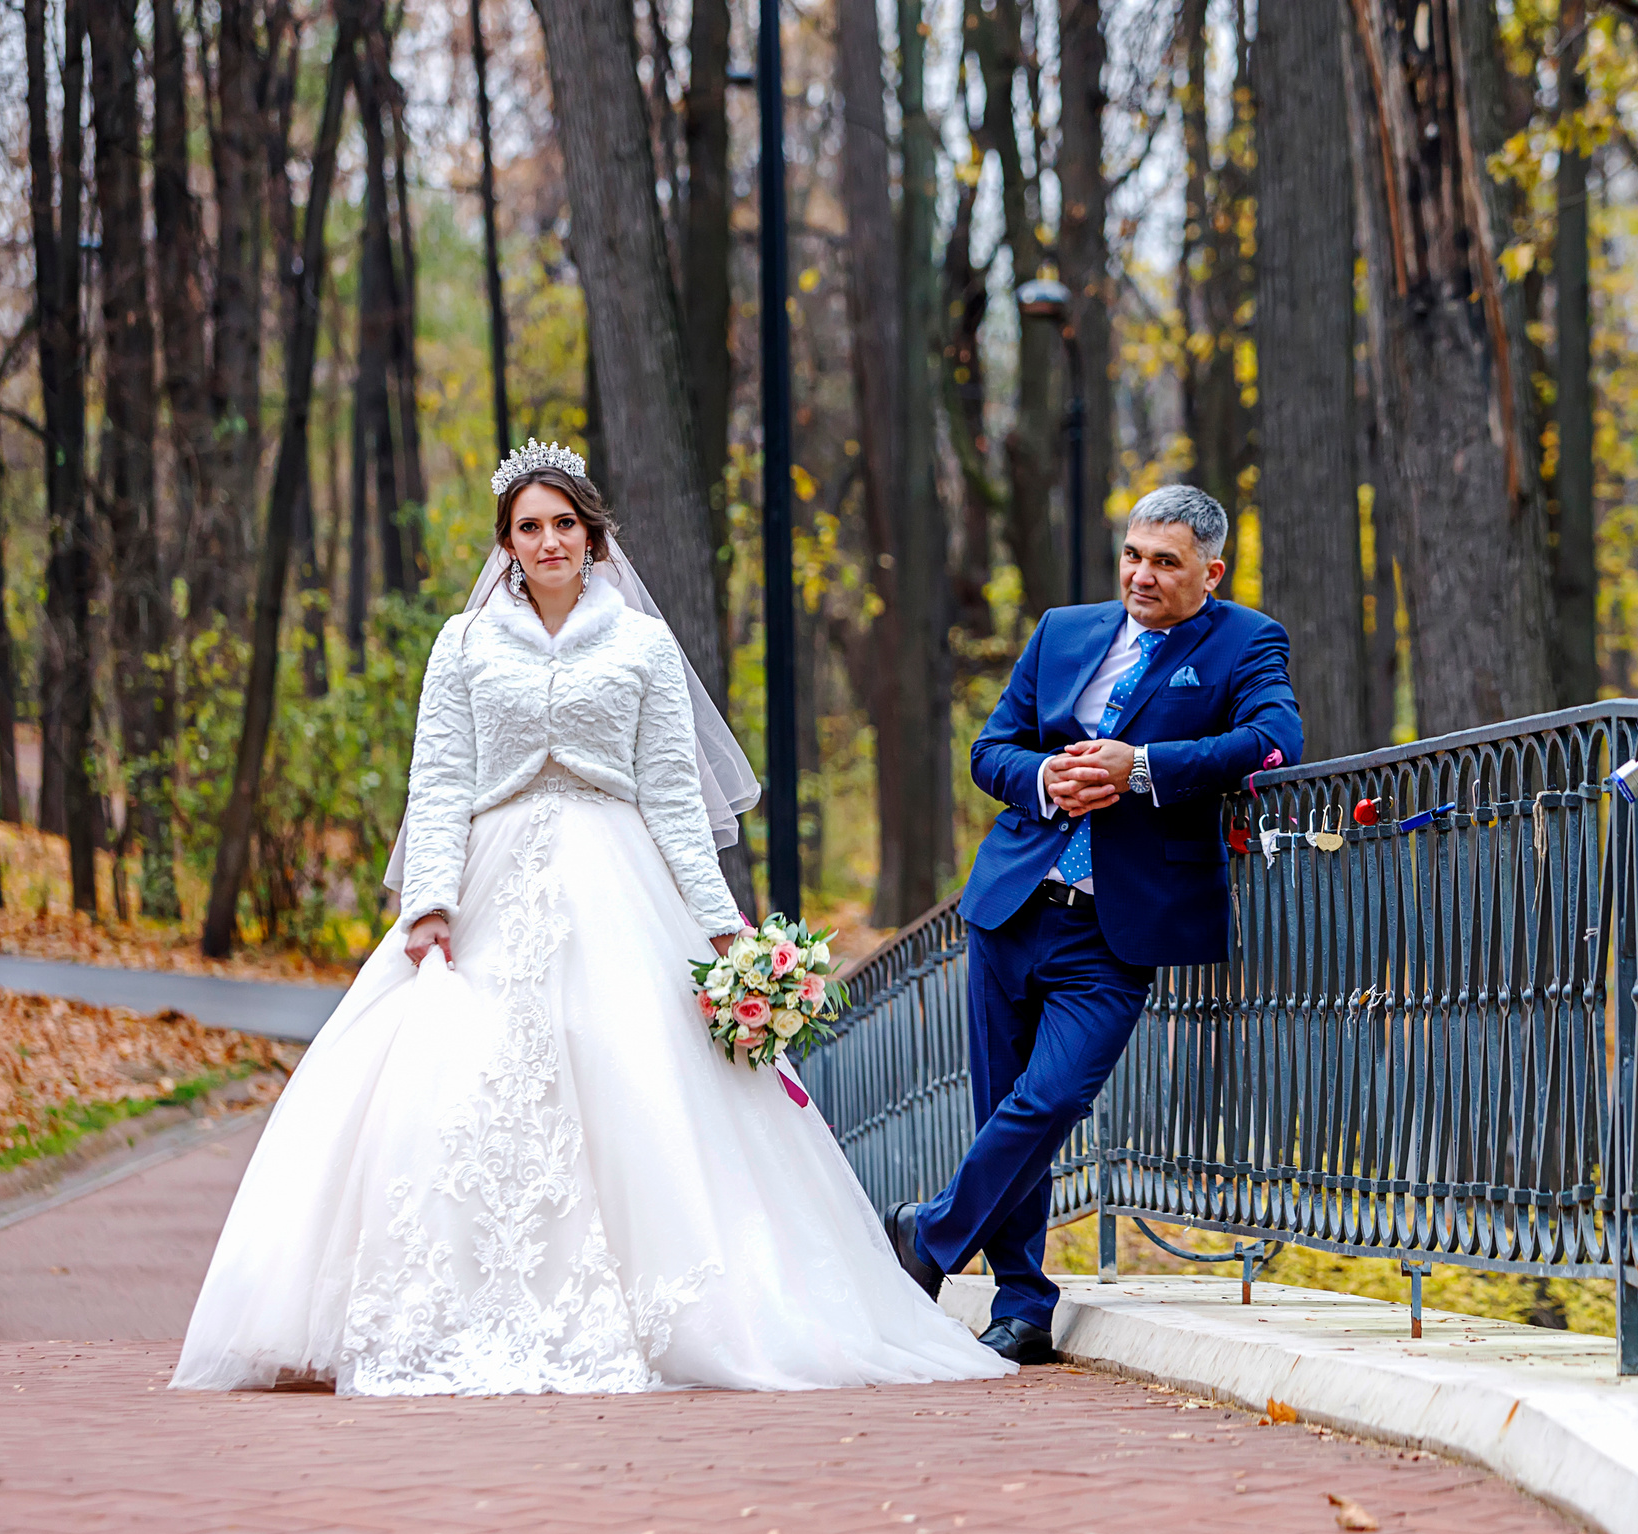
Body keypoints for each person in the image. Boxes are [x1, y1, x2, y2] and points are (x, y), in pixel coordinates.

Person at [172, 442, 1007, 1397]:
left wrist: (720, 924)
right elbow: (440, 778)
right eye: (529, 526)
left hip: (621, 881)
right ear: (508, 544)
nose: (548, 540)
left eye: (564, 522)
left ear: (592, 534)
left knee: (635, 1077)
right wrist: (430, 904)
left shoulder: (643, 646)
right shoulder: (464, 641)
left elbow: (670, 796)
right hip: (488, 887)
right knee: (459, 1091)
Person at [882, 484, 1302, 1364]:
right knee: (1005, 1105)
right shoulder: (1063, 630)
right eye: (1134, 555)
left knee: (1056, 1096)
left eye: (1166, 562)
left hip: (1117, 924)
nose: (1141, 576)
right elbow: (990, 750)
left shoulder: (1246, 642)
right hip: (1010, 900)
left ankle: (930, 1234)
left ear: (1210, 572)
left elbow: (1274, 740)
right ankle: (1025, 1301)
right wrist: (1046, 779)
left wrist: (1140, 766)